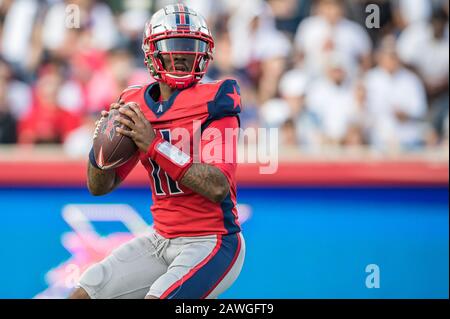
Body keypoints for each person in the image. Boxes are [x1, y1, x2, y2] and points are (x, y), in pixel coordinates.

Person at [69, 4, 245, 299]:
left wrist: (155, 145)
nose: (182, 53)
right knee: (85, 293)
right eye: (173, 44)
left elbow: (217, 186)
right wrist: (100, 149)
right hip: (160, 238)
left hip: (212, 241)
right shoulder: (134, 102)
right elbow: (98, 187)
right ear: (153, 51)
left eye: (190, 45)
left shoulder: (216, 100)